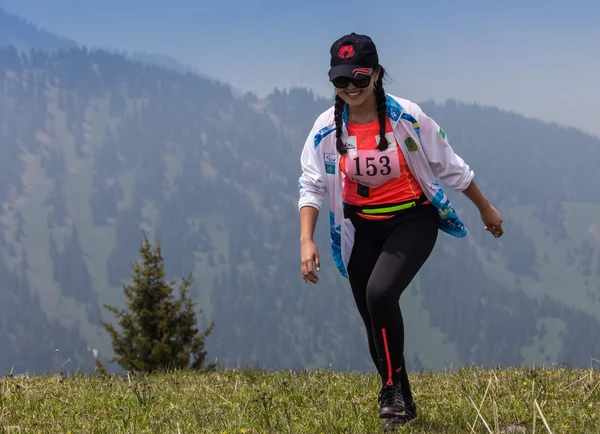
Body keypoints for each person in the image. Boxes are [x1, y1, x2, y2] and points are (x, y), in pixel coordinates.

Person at [297, 32, 504, 430]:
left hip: (413, 219)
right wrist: (306, 239)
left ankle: (389, 388)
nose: (351, 88)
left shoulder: (406, 116)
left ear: (376, 74)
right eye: (341, 81)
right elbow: (311, 184)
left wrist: (485, 207)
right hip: (360, 228)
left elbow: (450, 165)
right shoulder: (326, 128)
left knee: (380, 293)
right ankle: (402, 402)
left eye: (359, 78)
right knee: (372, 317)